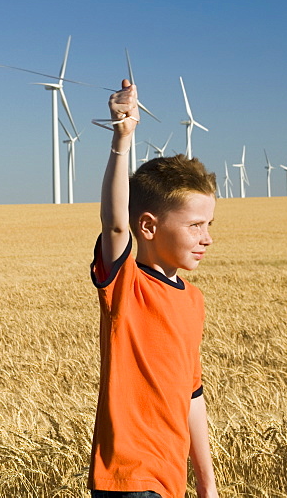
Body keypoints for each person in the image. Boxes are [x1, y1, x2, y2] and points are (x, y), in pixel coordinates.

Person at [88, 79, 219, 498]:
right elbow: (114, 222)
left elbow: (192, 396)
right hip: (128, 481)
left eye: (209, 226)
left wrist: (206, 484)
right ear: (147, 226)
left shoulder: (193, 301)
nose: (207, 238)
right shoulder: (125, 284)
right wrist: (122, 138)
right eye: (195, 226)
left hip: (169, 484)